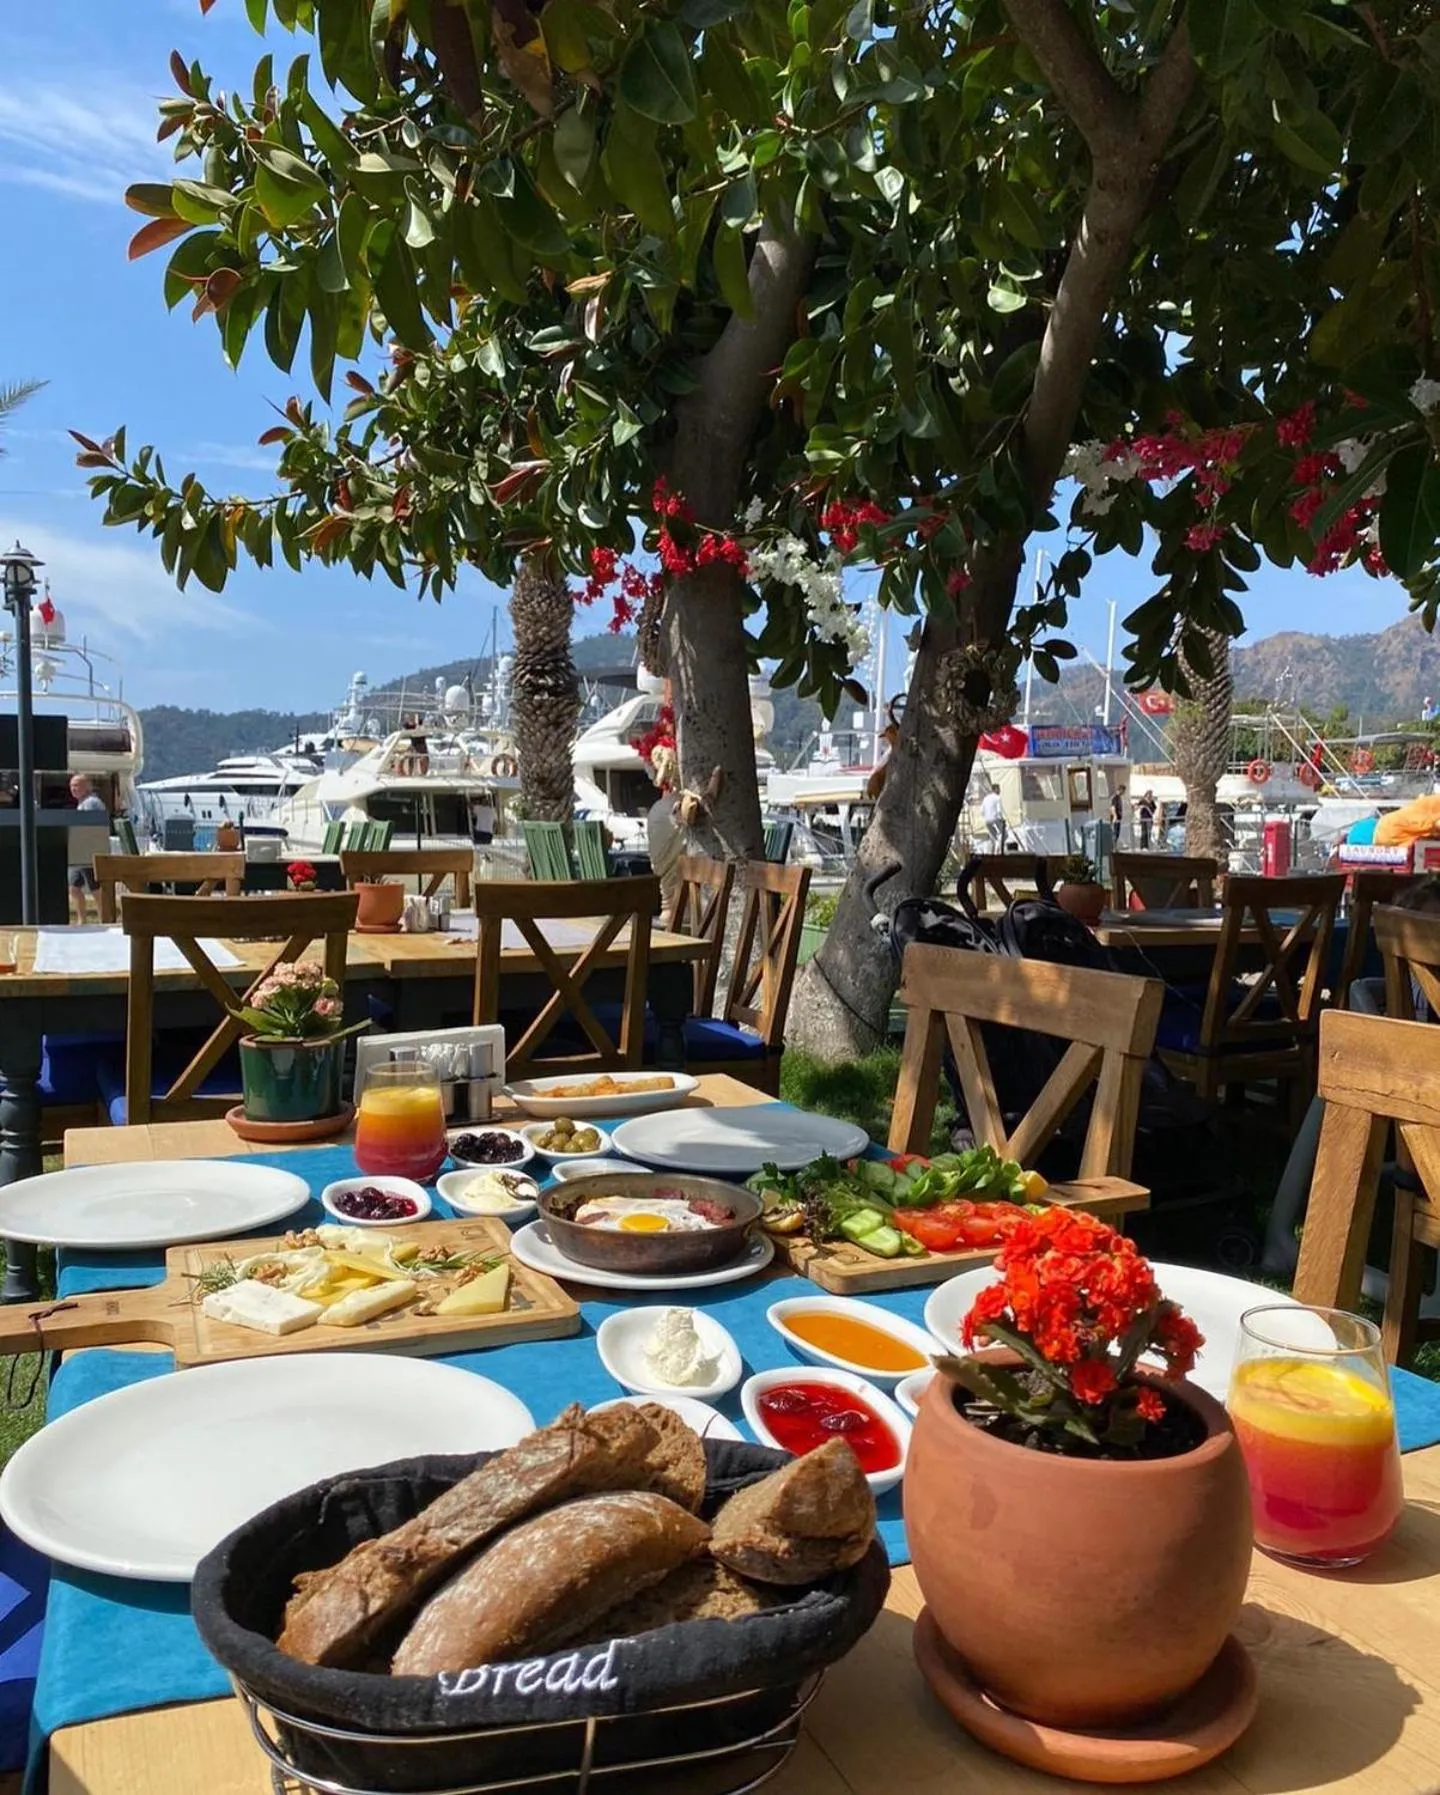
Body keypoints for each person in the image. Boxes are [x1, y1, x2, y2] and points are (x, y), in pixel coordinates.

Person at [67, 773, 109, 924]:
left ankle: (104, 919)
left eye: (77, 785)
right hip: (79, 852)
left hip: (89, 853)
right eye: (72, 786)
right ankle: (81, 920)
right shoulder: (82, 803)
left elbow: (93, 828)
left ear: (88, 786)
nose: (74, 789)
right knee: (74, 887)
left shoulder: (92, 803)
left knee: (95, 889)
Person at [980, 785, 1006, 850]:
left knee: (993, 836)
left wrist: (986, 816)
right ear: (996, 789)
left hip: (987, 820)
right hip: (995, 819)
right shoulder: (997, 798)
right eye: (999, 789)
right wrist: (1002, 819)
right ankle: (999, 848)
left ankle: (993, 848)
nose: (1000, 791)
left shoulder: (986, 798)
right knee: (1004, 834)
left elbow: (982, 811)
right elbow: (999, 811)